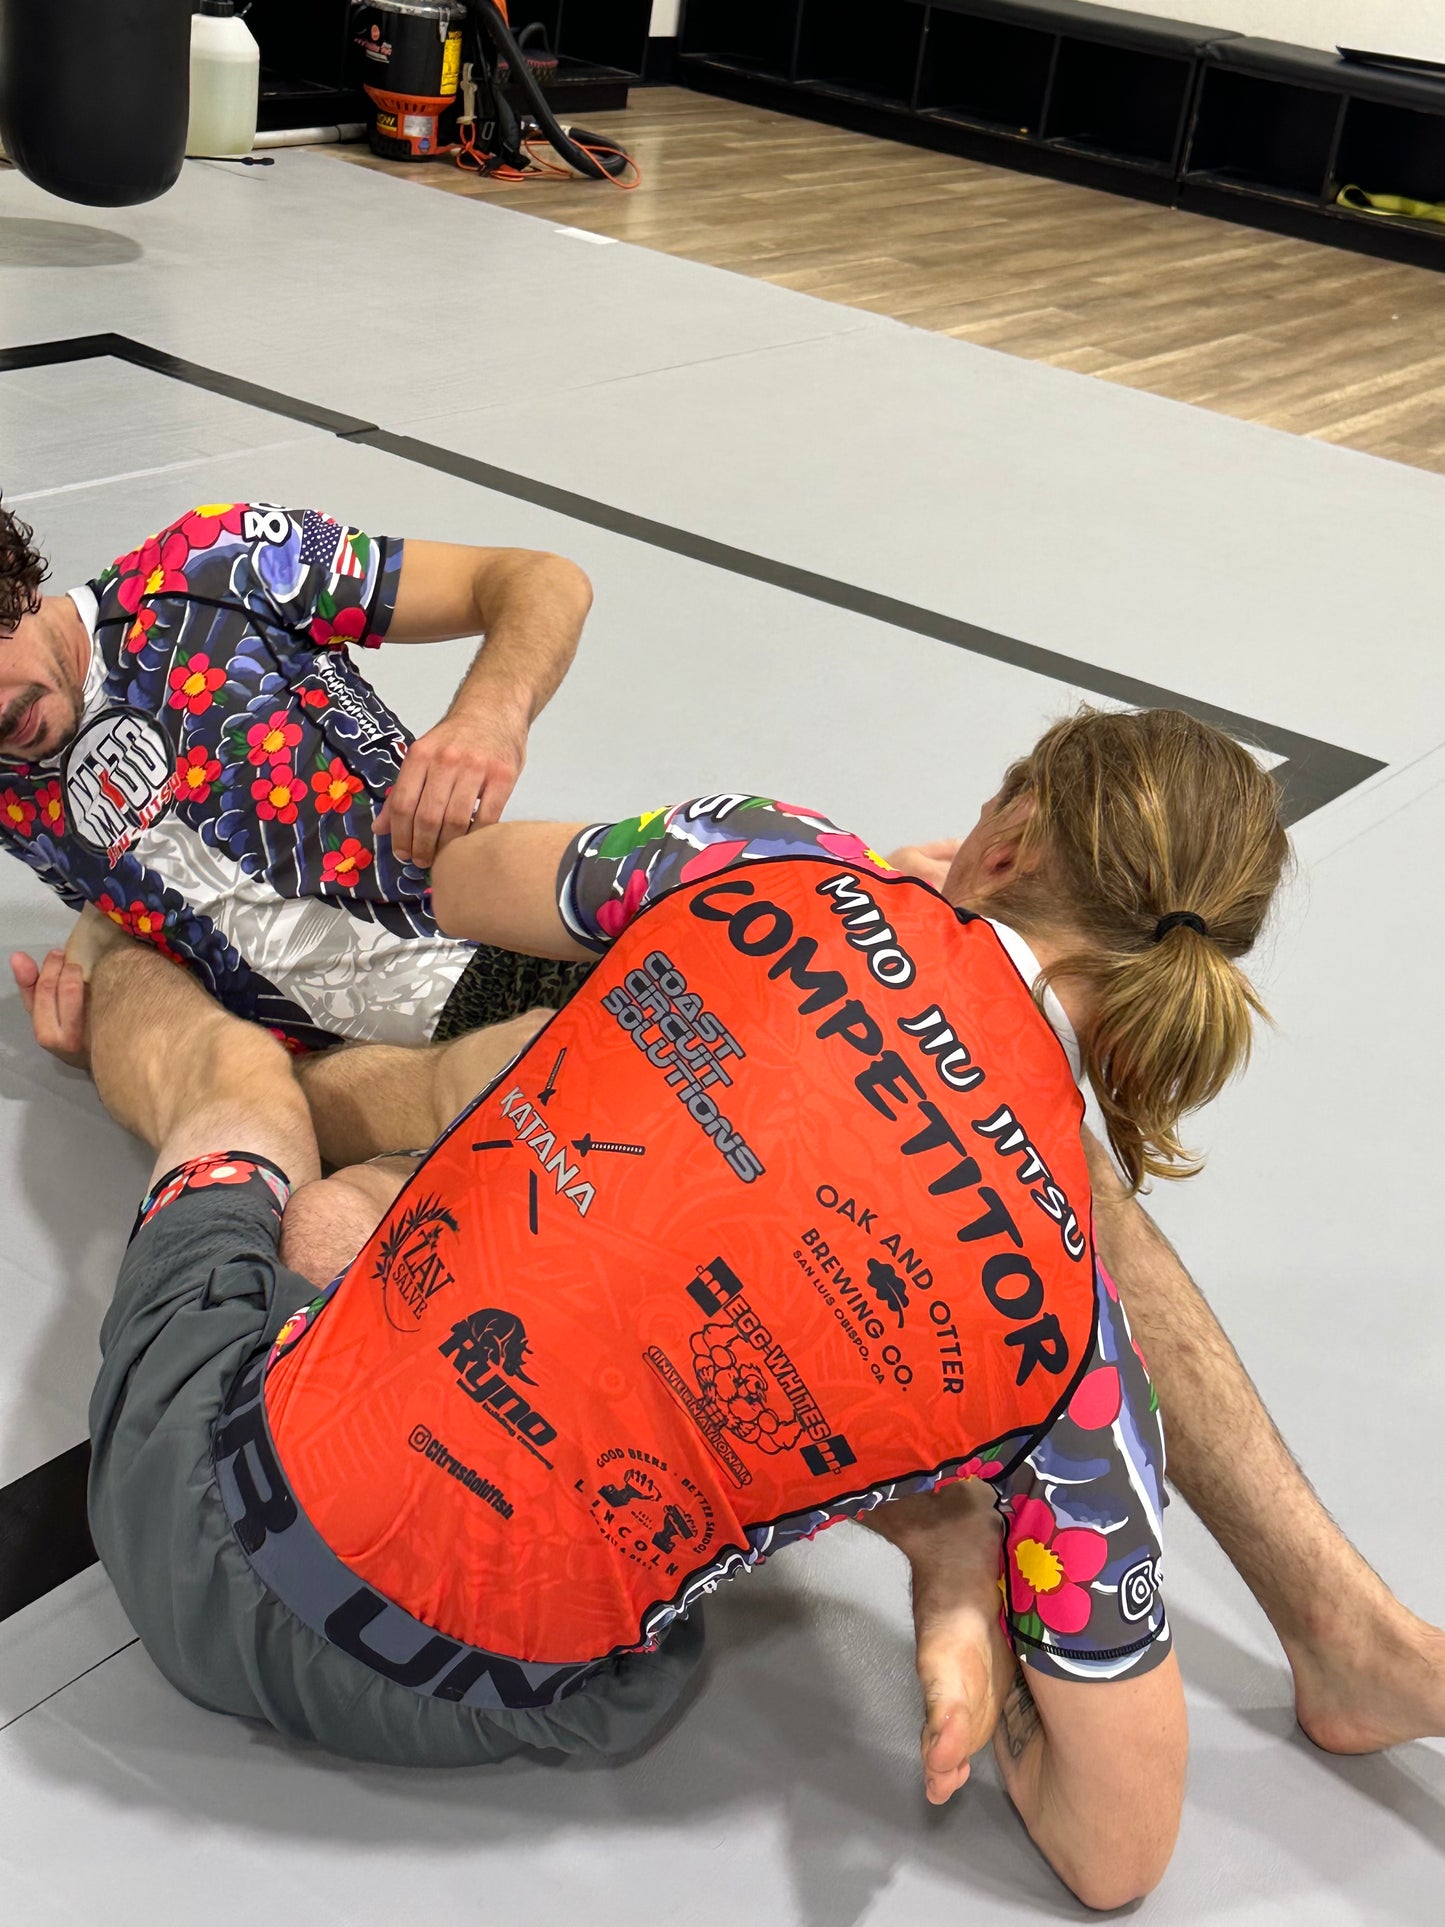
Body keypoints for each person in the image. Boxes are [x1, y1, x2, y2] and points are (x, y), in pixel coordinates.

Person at [64, 706, 1292, 1912]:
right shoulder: (1078, 1339)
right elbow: (1115, 1850)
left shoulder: (771, 859)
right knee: (785, 1363)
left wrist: (862, 882)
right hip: (470, 1699)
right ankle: (954, 1540)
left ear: (1009, 843)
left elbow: (464, 885)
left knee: (240, 1085)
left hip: (190, 1496)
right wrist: (1015, 1655)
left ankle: (105, 956)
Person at [0, 494, 593, 1069]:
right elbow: (134, 900)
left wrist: (488, 716)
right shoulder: (8, 797)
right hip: (362, 1086)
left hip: (501, 955)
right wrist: (90, 1016)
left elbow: (541, 580)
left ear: (12, 581)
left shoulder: (217, 559)